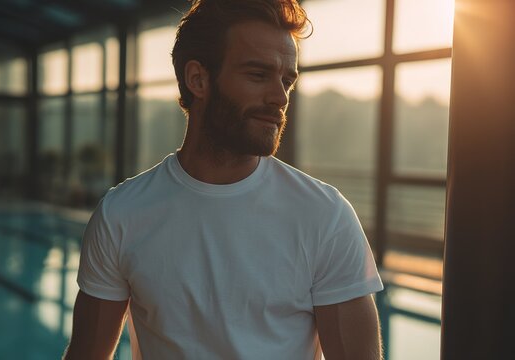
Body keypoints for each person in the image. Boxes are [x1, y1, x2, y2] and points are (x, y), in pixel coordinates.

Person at [63, 0, 384, 359]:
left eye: (286, 80)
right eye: (258, 75)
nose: (279, 97)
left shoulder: (325, 216)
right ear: (198, 79)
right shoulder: (121, 214)